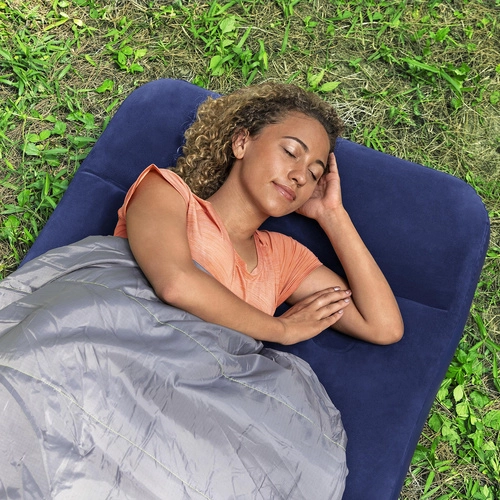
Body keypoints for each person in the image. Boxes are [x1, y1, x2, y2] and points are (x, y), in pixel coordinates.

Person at [114, 82, 403, 346]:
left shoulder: (283, 259)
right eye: (290, 152)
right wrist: (282, 329)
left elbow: (383, 327)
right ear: (242, 142)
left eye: (314, 174)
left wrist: (332, 214)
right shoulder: (166, 192)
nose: (300, 176)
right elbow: (176, 284)